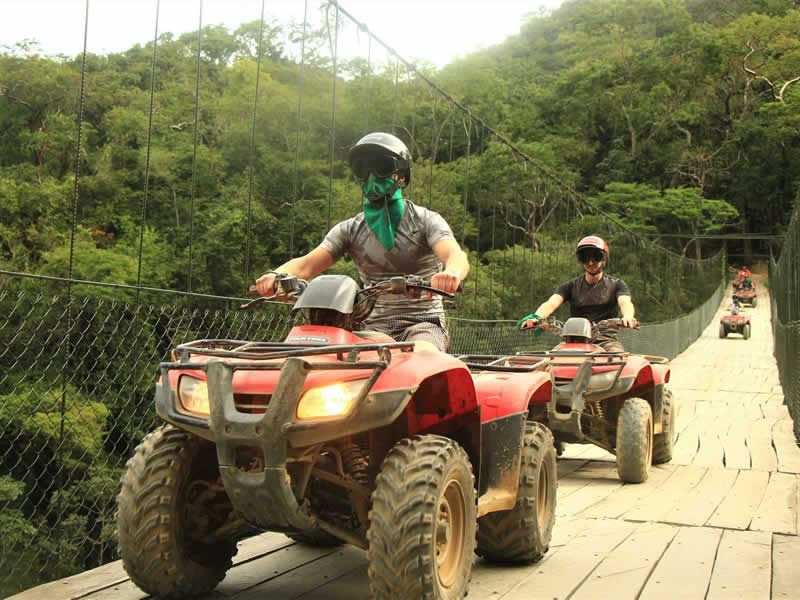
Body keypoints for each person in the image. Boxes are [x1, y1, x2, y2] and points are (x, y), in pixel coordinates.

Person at [254, 132, 470, 352]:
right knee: (349, 359)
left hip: (423, 322)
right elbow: (306, 265)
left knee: (423, 356)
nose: (371, 176)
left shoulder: (425, 220)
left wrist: (451, 273)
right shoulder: (350, 229)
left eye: (381, 167)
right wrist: (275, 276)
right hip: (375, 325)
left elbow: (454, 254)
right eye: (362, 169)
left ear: (402, 177)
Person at [517, 235, 637, 352]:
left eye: (596, 257)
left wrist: (628, 317)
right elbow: (551, 303)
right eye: (584, 257)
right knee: (552, 360)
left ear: (604, 259)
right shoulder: (570, 286)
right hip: (573, 339)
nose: (590, 262)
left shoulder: (617, 284)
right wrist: (537, 317)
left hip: (605, 340)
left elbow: (625, 302)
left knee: (617, 359)